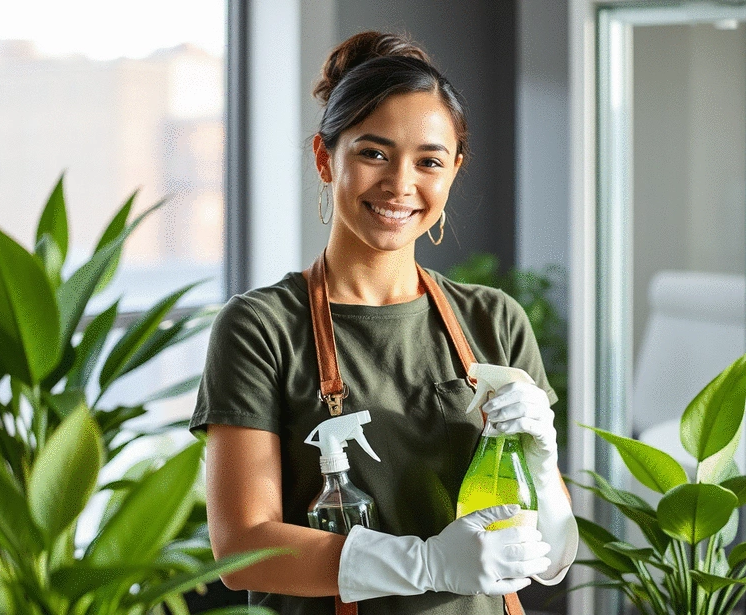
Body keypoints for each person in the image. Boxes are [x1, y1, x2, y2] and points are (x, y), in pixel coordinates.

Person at [190, 31, 578, 615]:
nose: (400, 185)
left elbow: (548, 560)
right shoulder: (260, 328)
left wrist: (543, 465)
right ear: (326, 157)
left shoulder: (495, 319)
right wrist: (425, 564)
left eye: (429, 162)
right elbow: (242, 544)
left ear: (453, 173)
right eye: (373, 153)